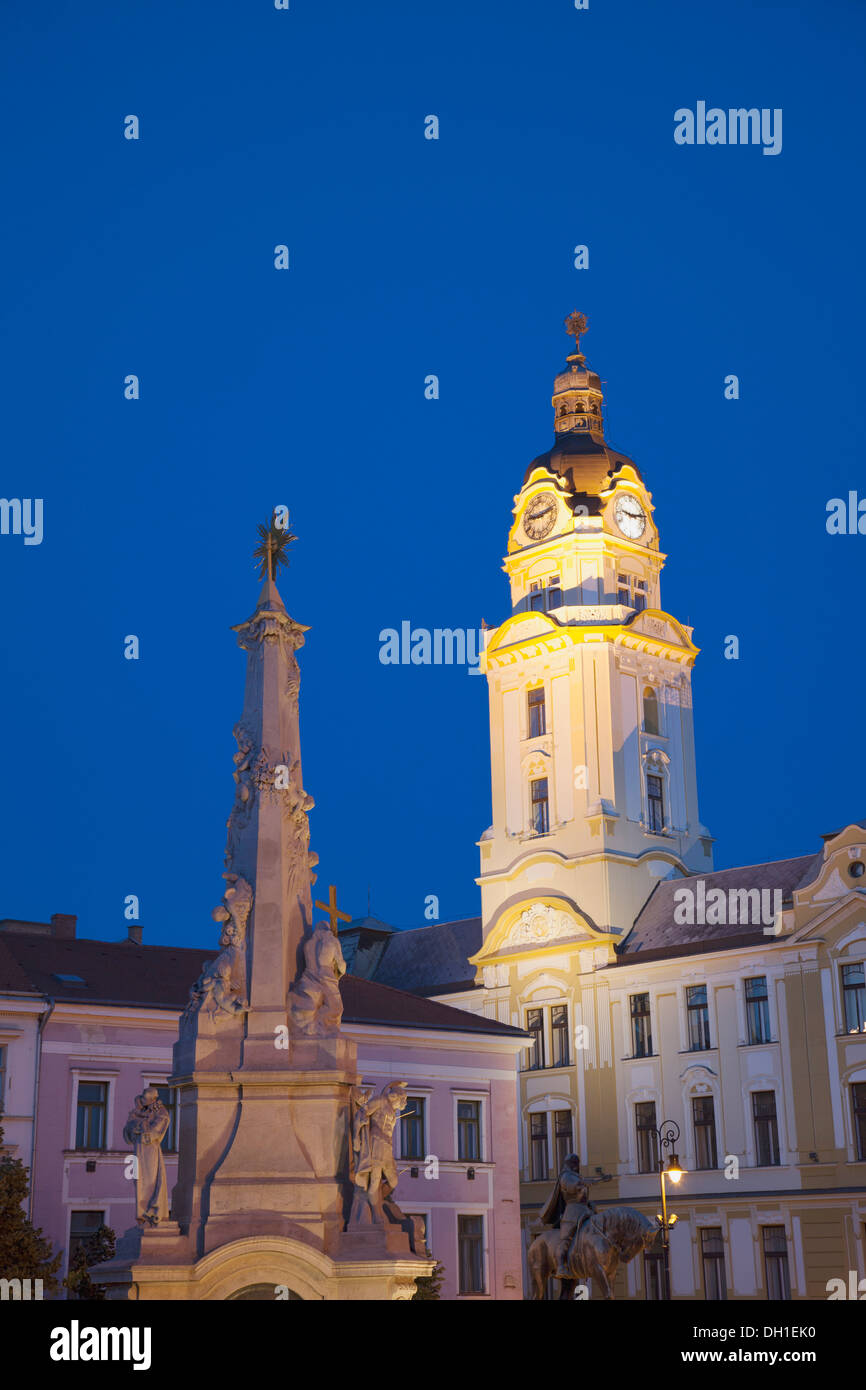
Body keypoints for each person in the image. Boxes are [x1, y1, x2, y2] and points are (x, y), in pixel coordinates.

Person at [540, 1153, 609, 1279]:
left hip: (585, 1209)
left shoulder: (577, 1176)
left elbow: (582, 1191)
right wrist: (587, 1182)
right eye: (573, 1162)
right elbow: (574, 1186)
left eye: (577, 1162)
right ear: (568, 1164)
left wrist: (598, 1181)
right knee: (566, 1238)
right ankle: (561, 1265)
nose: (576, 1165)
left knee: (598, 1229)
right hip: (572, 1211)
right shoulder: (566, 1176)